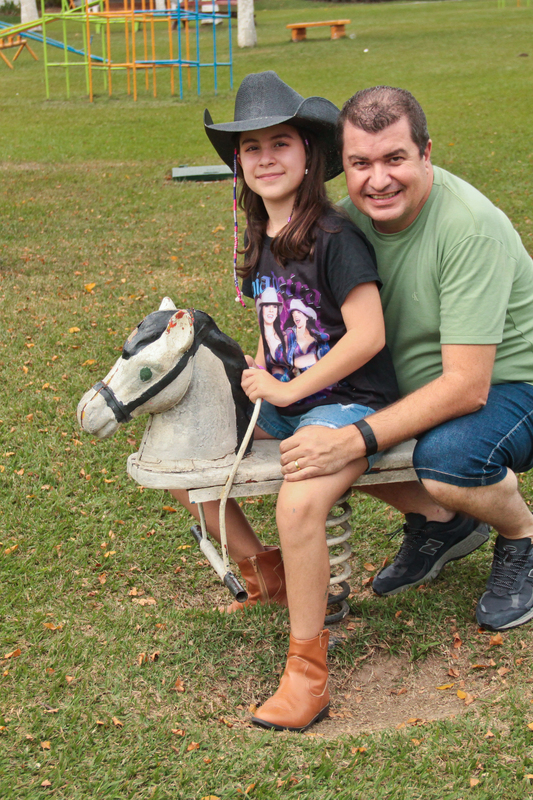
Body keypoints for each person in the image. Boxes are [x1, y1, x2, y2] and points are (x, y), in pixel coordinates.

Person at [276, 86, 533, 633]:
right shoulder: (343, 225)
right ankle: (442, 525)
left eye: (395, 158)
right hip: (420, 384)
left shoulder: (468, 227)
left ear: (426, 153)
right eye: (360, 163)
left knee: (445, 460)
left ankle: (526, 537)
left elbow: (468, 387)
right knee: (323, 418)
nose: (379, 180)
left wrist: (351, 439)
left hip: (525, 386)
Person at [170, 71, 400, 733]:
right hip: (289, 394)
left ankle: (308, 675)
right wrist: (263, 367)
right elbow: (286, 328)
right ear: (238, 165)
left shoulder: (335, 238)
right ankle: (264, 574)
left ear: (308, 157)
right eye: (251, 148)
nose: (265, 157)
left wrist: (293, 388)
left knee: (297, 499)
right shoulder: (259, 242)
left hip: (348, 403)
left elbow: (369, 335)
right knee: (185, 454)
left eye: (280, 143)